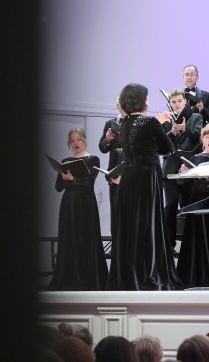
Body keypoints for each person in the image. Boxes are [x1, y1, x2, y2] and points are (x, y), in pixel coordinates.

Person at [108, 83, 182, 290]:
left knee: (131, 225)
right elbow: (168, 148)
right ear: (141, 100)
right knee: (148, 223)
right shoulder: (150, 122)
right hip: (147, 177)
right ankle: (148, 273)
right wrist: (161, 123)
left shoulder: (123, 124)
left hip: (129, 177)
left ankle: (129, 274)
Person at [49, 128, 107, 291]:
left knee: (87, 239)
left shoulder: (93, 159)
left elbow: (89, 182)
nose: (76, 143)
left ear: (84, 140)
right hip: (69, 204)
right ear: (69, 143)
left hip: (86, 204)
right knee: (70, 239)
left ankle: (88, 280)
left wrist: (72, 178)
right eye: (72, 140)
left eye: (79, 139)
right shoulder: (65, 161)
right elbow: (58, 187)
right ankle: (70, 279)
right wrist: (64, 178)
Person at [176, 123, 209, 288]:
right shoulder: (196, 158)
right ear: (202, 139)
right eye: (207, 137)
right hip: (197, 198)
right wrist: (183, 173)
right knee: (196, 235)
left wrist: (207, 176)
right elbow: (183, 183)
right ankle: (194, 276)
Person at [161, 89, 203, 250]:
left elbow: (199, 139)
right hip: (170, 169)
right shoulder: (167, 119)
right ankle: (169, 245)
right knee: (170, 206)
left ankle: (191, 246)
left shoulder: (196, 117)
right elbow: (161, 145)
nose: (177, 104)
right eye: (174, 102)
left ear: (185, 102)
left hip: (189, 167)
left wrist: (185, 129)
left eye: (179, 101)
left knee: (189, 206)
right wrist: (171, 132)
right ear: (170, 104)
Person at [98, 100, 127, 239]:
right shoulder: (110, 124)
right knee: (115, 212)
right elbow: (102, 148)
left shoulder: (136, 123)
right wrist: (108, 140)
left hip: (132, 172)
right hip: (115, 175)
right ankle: (116, 245)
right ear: (117, 106)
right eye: (122, 104)